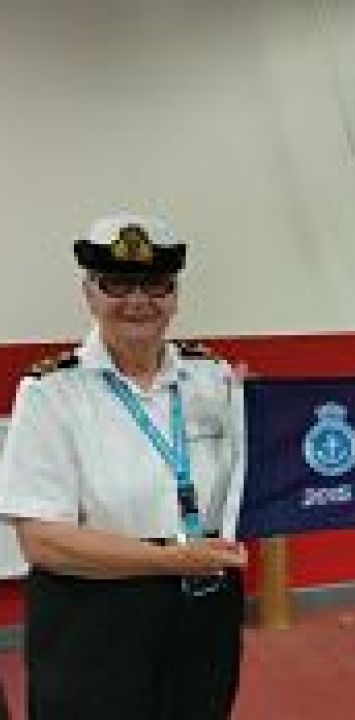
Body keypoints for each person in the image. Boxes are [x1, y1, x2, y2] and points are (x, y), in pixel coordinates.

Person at [0, 212, 247, 720]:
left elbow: (254, 474)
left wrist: (269, 410)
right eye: (117, 284)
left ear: (174, 296)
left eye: (155, 285)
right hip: (94, 613)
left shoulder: (214, 378)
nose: (138, 301)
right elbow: (43, 541)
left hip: (203, 607)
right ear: (89, 294)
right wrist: (174, 560)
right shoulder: (50, 393)